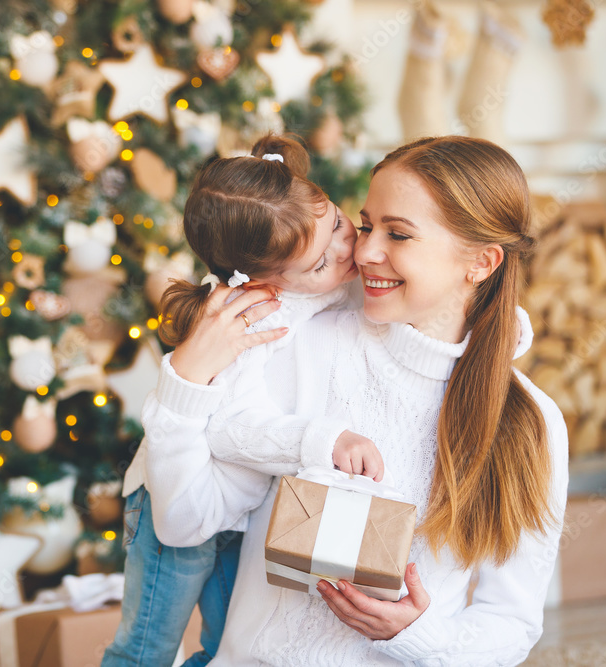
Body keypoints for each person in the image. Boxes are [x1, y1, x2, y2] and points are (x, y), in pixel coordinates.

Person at [142, 135, 569, 665]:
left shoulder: (531, 422)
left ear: (481, 262)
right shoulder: (299, 343)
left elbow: (512, 624)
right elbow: (186, 521)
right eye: (365, 224)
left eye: (399, 234)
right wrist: (185, 379)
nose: (362, 251)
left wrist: (414, 634)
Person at [102, 135, 363, 667]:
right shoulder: (254, 319)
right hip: (171, 500)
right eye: (317, 264)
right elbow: (233, 428)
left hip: (240, 514)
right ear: (263, 281)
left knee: (227, 650)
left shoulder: (326, 282)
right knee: (146, 650)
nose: (345, 249)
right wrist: (320, 439)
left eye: (337, 222)